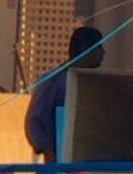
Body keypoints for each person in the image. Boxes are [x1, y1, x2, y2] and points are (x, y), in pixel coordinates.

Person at [21, 24, 103, 163]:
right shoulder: (53, 81)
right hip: (57, 168)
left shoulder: (96, 83)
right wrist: (48, 151)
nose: (103, 53)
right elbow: (33, 122)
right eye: (99, 47)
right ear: (86, 50)